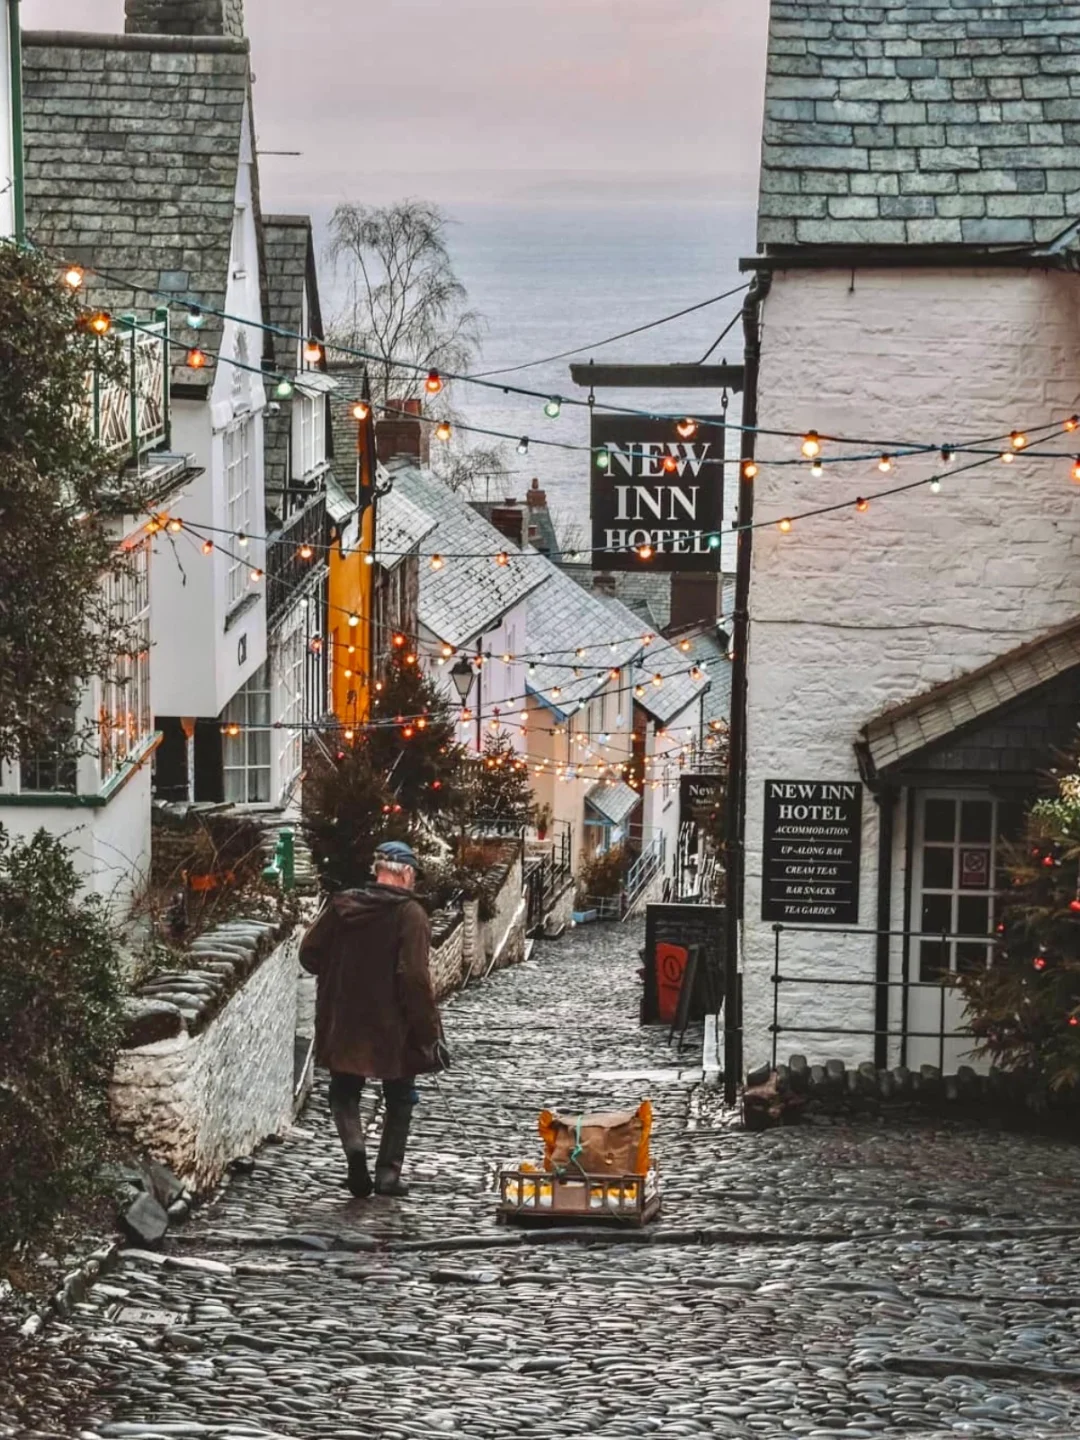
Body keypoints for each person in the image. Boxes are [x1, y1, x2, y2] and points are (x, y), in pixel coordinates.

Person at [299, 840, 447, 1198]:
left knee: (344, 1090)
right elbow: (414, 977)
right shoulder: (410, 915)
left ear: (377, 871)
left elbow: (309, 953)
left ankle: (355, 1148)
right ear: (407, 874)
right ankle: (387, 1175)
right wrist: (427, 1031)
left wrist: (337, 977)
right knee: (401, 1095)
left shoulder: (343, 906)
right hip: (392, 1021)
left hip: (343, 1016)